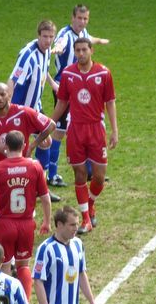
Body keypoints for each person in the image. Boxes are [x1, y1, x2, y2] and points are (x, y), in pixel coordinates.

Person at [50, 38, 118, 234]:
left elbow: (110, 102)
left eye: (84, 50)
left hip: (96, 128)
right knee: (80, 174)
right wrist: (49, 124)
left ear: (91, 50)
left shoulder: (104, 73)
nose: (81, 53)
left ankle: (90, 202)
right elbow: (62, 102)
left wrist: (115, 130)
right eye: (77, 50)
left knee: (98, 176)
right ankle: (86, 219)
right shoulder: (68, 73)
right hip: (75, 129)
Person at [0, 130, 52, 302]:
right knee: (23, 265)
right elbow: (46, 198)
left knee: (4, 264)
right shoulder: (35, 166)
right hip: (26, 223)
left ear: (5, 147)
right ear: (24, 145)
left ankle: (8, 303)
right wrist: (46, 221)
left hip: (5, 223)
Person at [48, 4, 110, 187]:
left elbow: (89, 38)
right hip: (64, 86)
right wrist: (57, 48)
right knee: (60, 131)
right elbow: (60, 44)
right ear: (72, 18)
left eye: (85, 19)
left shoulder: (83, 34)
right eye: (79, 18)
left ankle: (92, 170)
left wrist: (100, 41)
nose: (82, 22)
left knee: (86, 123)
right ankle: (52, 174)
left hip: (80, 87)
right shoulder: (65, 35)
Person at [7, 20, 62, 202]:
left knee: (45, 141)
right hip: (21, 110)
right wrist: (7, 108)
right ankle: (13, 185)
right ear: (38, 35)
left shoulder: (46, 52)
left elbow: (44, 71)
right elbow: (12, 81)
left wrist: (53, 84)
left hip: (35, 106)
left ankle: (41, 186)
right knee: (17, 150)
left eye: (50, 37)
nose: (47, 40)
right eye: (44, 36)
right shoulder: (27, 56)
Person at [0, 83, 55, 171]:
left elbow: (51, 125)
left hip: (23, 167)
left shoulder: (23, 112)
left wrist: (32, 146)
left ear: (9, 96)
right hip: (1, 168)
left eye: (2, 94)